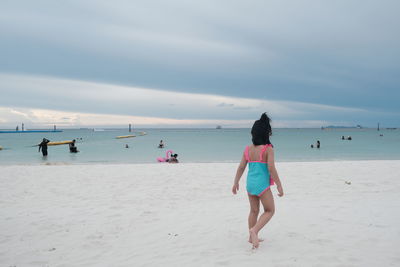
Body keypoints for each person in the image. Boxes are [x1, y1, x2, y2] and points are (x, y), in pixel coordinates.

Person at [232, 113, 284, 249]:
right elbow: (271, 168)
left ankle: (251, 237)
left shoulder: (248, 149)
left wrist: (236, 182)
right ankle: (254, 231)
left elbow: (241, 167)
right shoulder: (268, 149)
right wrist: (279, 185)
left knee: (253, 211)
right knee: (270, 210)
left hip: (250, 184)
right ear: (267, 134)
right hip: (262, 185)